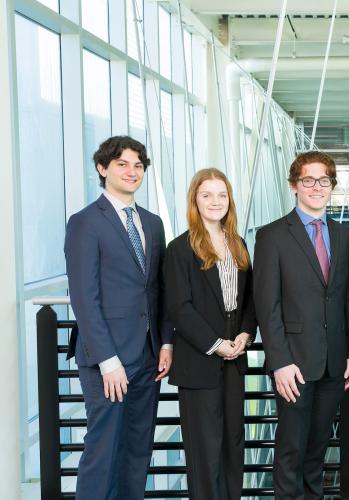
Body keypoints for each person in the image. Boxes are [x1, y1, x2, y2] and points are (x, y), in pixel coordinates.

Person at [64, 136, 173, 500]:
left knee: (138, 447)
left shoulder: (152, 224)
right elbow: (84, 297)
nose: (132, 171)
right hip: (106, 361)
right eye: (122, 164)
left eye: (138, 166)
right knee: (103, 448)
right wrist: (108, 361)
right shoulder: (85, 222)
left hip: (147, 355)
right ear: (102, 168)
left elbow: (157, 290)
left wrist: (165, 342)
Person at [253, 151, 349, 499]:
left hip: (333, 364)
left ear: (332, 186)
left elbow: (347, 301)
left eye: (324, 180)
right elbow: (267, 306)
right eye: (308, 180)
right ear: (294, 185)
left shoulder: (343, 237)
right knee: (290, 454)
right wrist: (280, 362)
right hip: (294, 365)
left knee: (316, 453)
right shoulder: (272, 236)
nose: (316, 187)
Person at [164, 168, 256, 499]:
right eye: (206, 195)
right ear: (195, 200)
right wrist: (216, 344)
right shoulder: (180, 248)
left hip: (235, 356)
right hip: (199, 360)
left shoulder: (238, 243)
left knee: (233, 443)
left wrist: (246, 334)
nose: (215, 201)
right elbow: (179, 307)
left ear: (229, 200)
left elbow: (249, 299)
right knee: (204, 450)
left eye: (221, 195)